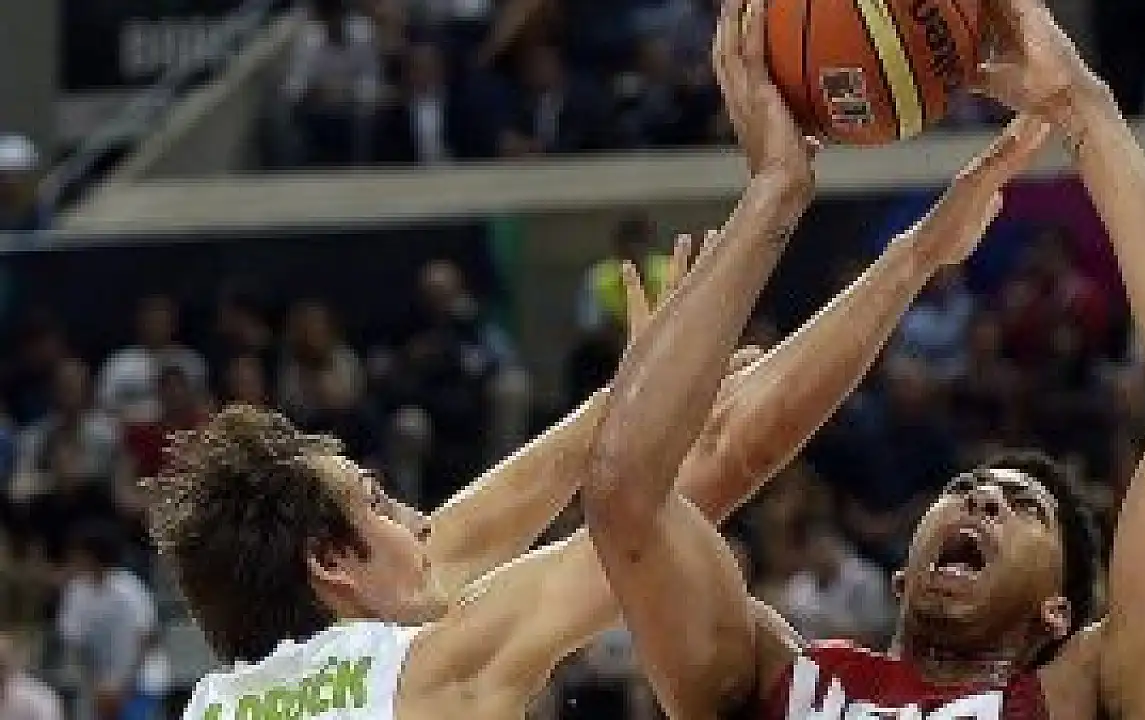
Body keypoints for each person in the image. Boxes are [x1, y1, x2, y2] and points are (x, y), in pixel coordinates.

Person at [150, 3, 1046, 720]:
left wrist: (632, 395)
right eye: (380, 501)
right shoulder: (425, 673)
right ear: (331, 564)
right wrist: (870, 236)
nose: (420, 521)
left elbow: (472, 527)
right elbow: (700, 471)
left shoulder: (220, 700)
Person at [582, 0, 1145, 718]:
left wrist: (1083, 109)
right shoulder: (780, 678)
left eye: (1023, 509)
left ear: (1057, 613)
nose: (983, 501)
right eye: (966, 489)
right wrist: (774, 191)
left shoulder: (1089, 695)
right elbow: (626, 494)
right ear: (902, 574)